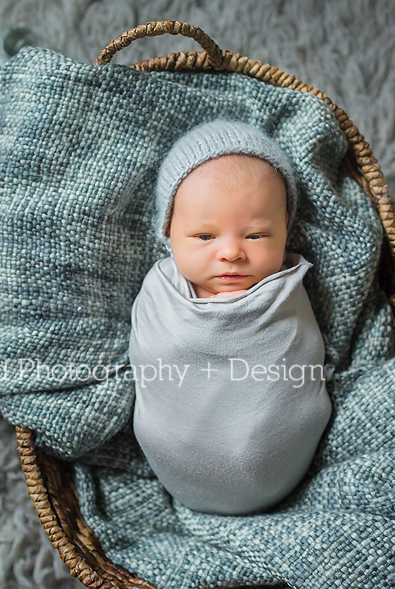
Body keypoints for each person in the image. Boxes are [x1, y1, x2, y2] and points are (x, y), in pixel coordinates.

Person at [129, 120, 332, 516]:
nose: (231, 253)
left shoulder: (286, 292)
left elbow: (300, 355)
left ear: (285, 232)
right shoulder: (160, 294)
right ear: (168, 232)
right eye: (205, 236)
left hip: (281, 463)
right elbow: (150, 358)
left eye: (255, 235)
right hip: (178, 459)